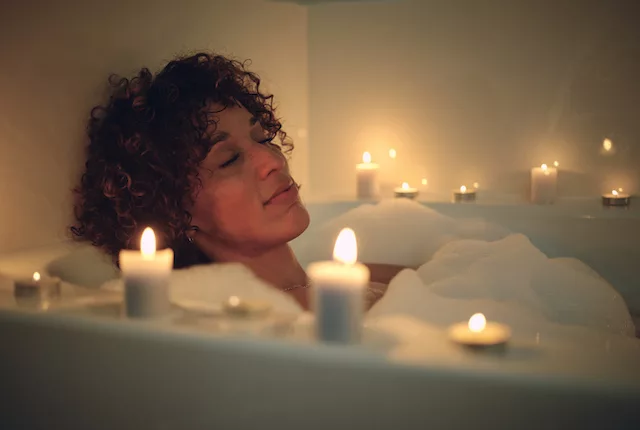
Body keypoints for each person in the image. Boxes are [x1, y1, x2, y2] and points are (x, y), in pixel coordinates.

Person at [70, 52, 403, 310]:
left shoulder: (349, 279)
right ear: (173, 209)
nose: (273, 160)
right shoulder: (280, 323)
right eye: (229, 159)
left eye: (262, 138)